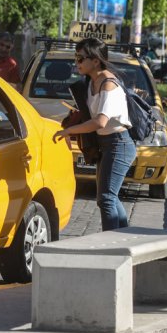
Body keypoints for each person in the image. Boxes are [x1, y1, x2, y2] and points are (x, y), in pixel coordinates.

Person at [52, 38, 136, 231]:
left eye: (81, 58)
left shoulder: (109, 84)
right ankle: (124, 236)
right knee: (109, 197)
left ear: (96, 60)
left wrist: (69, 131)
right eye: (76, 57)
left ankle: (111, 243)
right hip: (105, 144)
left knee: (106, 198)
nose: (77, 63)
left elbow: (100, 122)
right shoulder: (91, 82)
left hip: (119, 144)